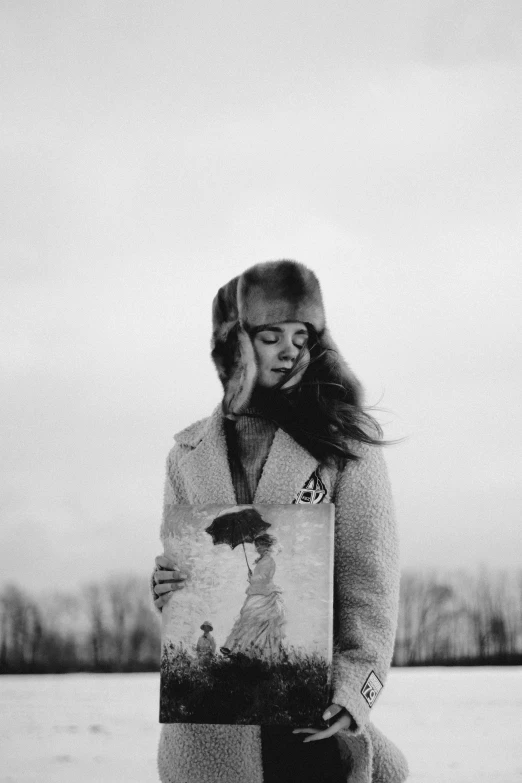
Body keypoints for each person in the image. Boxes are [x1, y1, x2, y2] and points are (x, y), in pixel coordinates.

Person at [152, 260, 409, 783]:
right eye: (271, 336)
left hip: (311, 718)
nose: (291, 349)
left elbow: (370, 582)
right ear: (234, 347)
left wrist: (354, 690)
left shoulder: (346, 442)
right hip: (213, 725)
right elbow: (188, 583)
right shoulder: (187, 454)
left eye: (303, 335)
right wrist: (166, 588)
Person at [221, 533, 286, 659]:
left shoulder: (268, 561)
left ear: (266, 546)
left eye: (259, 546)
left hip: (264, 595)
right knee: (246, 619)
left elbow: (264, 577)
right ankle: (235, 648)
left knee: (253, 620)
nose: (257, 548)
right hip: (256, 592)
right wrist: (253, 577)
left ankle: (241, 649)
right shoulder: (262, 560)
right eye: (257, 546)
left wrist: (252, 577)